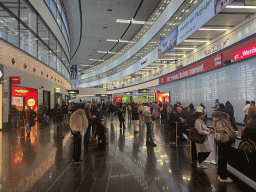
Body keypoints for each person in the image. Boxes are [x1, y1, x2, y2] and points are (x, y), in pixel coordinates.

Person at [212, 106, 238, 183]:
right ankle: (223, 177)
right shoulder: (224, 119)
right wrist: (235, 133)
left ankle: (220, 175)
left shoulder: (215, 119)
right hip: (224, 139)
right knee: (224, 158)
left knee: (220, 157)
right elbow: (229, 130)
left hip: (218, 138)